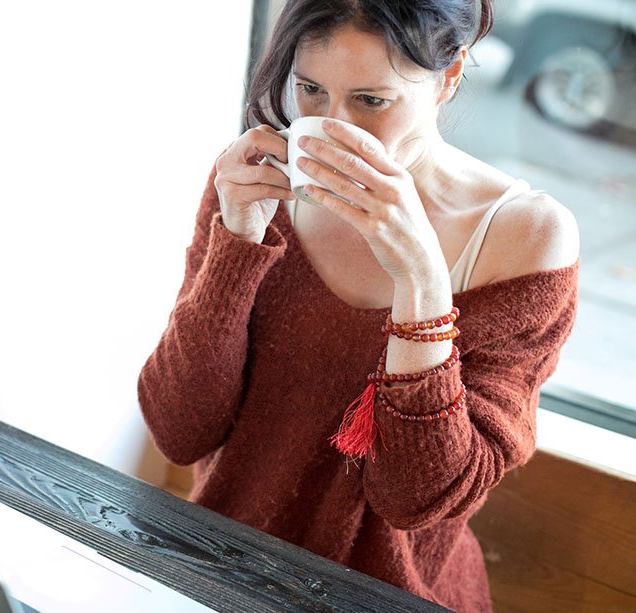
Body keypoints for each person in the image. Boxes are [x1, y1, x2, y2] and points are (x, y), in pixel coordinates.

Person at [138, 0, 579, 610]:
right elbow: (177, 431)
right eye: (309, 90)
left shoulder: (524, 237)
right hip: (217, 575)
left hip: (390, 598)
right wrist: (236, 242)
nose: (330, 125)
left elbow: (415, 499)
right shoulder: (255, 184)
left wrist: (421, 283)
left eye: (371, 101)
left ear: (450, 76)